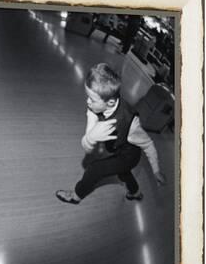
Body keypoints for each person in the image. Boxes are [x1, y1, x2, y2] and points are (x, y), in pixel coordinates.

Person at [56, 63, 166, 204]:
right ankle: (135, 193)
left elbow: (149, 144)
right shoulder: (96, 106)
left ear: (110, 102)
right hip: (117, 147)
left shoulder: (131, 123)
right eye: (88, 96)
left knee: (95, 170)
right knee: (124, 173)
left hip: (129, 156)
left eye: (93, 99)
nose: (87, 102)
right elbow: (87, 144)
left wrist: (156, 170)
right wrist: (91, 137)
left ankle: (75, 196)